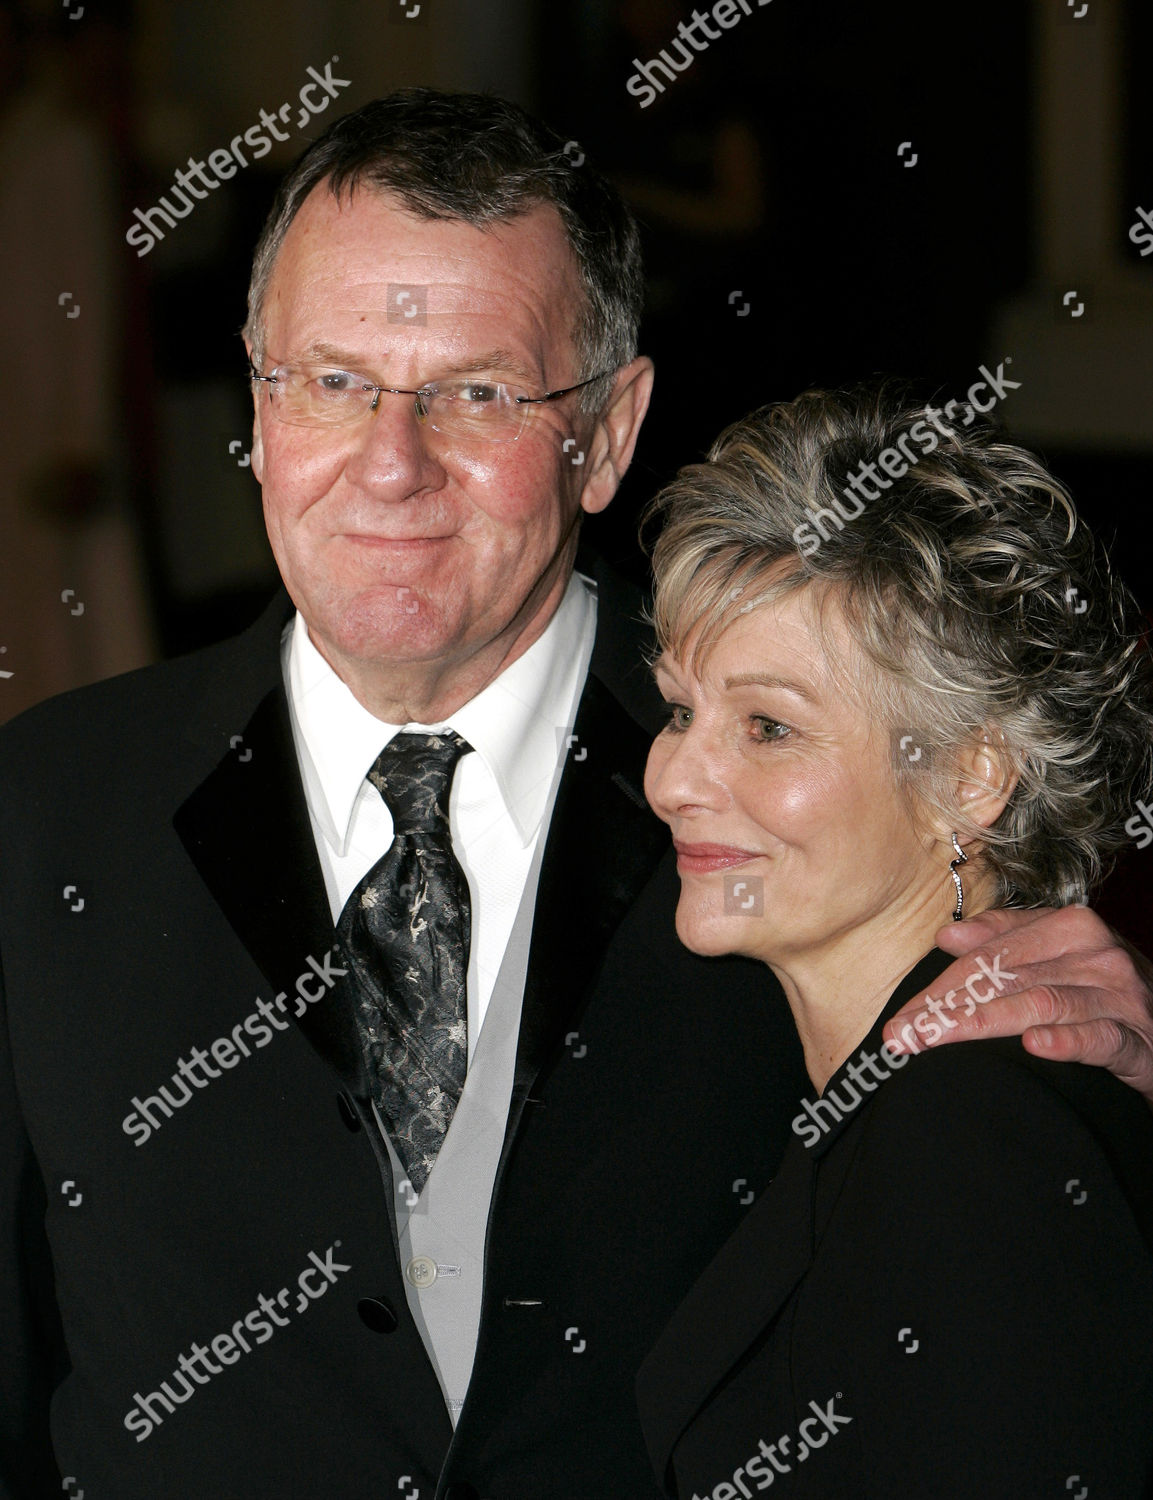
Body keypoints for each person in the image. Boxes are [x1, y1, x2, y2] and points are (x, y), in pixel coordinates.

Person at [0, 91, 1150, 1500]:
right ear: (256, 405)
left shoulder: (786, 807)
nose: (389, 462)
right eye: (332, 381)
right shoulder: (41, 811)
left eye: (477, 393)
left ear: (607, 432)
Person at [636, 387, 1153, 1496]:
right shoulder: (896, 1100)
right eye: (681, 711)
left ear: (968, 777)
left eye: (767, 727)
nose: (674, 779)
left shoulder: (967, 1137)